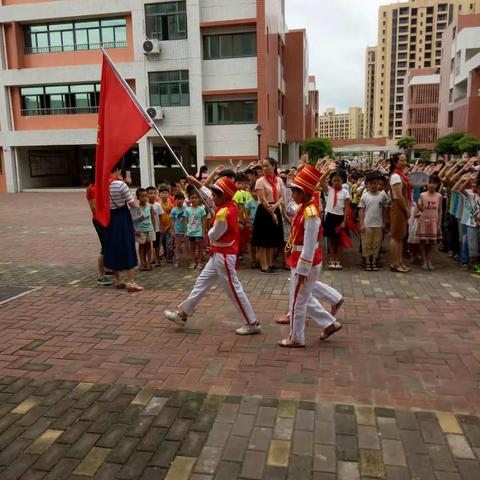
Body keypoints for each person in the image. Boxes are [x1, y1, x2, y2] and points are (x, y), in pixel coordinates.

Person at [164, 176, 261, 336]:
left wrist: (210, 227)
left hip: (224, 256)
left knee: (234, 290)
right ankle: (183, 315)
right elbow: (208, 194)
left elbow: (213, 235)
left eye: (215, 195)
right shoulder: (227, 205)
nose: (212, 197)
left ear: (223, 196)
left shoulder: (224, 212)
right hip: (218, 254)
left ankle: (252, 322)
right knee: (201, 283)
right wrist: (195, 182)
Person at [278, 164, 342, 348]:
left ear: (304, 192)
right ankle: (329, 324)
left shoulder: (311, 213)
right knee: (302, 297)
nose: (293, 194)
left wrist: (303, 269)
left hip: (304, 261)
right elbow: (289, 207)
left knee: (298, 301)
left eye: (296, 191)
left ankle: (296, 337)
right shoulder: (304, 207)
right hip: (299, 258)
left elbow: (308, 245)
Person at [102, 163, 143, 292]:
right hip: (122, 218)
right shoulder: (120, 185)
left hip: (109, 219)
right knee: (128, 247)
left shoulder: (102, 185)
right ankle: (131, 282)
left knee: (114, 247)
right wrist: (139, 218)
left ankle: (118, 281)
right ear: (118, 170)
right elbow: (132, 204)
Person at [252, 158, 284, 274]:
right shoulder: (260, 181)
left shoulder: (279, 180)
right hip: (264, 211)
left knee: (272, 239)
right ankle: (264, 265)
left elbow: (281, 197)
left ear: (274, 166)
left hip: (275, 208)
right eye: (263, 167)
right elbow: (263, 199)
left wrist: (275, 207)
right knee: (263, 240)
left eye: (267, 166)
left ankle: (270, 263)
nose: (264, 169)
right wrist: (271, 211)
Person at [321, 169, 351, 270]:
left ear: (342, 181)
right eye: (334, 181)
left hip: (339, 217)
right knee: (330, 240)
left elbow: (347, 208)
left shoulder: (345, 192)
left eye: (338, 180)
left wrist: (344, 221)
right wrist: (328, 171)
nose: (336, 183)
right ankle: (332, 258)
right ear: (331, 181)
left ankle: (338, 259)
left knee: (339, 241)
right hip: (330, 216)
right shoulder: (329, 190)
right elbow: (321, 180)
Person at [359, 172, 389, 271]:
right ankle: (367, 261)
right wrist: (362, 224)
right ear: (367, 184)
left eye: (375, 183)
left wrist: (385, 222)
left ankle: (374, 262)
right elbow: (361, 211)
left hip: (378, 224)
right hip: (367, 224)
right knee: (366, 244)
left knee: (376, 244)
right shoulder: (365, 196)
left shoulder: (383, 196)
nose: (373, 185)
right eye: (371, 183)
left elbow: (385, 210)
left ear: (379, 184)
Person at [86, 175, 112, 286]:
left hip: (106, 219)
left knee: (109, 245)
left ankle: (108, 268)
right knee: (105, 247)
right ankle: (101, 276)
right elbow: (94, 207)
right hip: (100, 220)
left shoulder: (103, 186)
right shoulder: (92, 188)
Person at [389, 154, 412, 273]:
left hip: (402, 207)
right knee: (396, 236)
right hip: (398, 207)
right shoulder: (396, 177)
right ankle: (395, 263)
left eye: (405, 159)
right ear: (395, 162)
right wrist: (406, 209)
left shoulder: (401, 175)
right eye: (402, 160)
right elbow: (398, 195)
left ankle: (399, 261)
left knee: (401, 236)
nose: (404, 162)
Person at [184, 191, 207, 270]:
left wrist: (203, 232)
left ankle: (200, 262)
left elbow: (204, 221)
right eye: (192, 198)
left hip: (199, 232)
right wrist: (186, 231)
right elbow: (186, 221)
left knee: (200, 248)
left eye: (195, 198)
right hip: (191, 233)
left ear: (199, 199)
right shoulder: (187, 210)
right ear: (189, 199)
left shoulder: (201, 209)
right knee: (192, 248)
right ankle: (193, 262)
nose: (194, 200)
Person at [232, 173, 252, 261]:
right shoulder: (233, 193)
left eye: (244, 183)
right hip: (235, 219)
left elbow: (248, 207)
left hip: (244, 218)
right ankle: (236, 253)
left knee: (243, 237)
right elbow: (238, 207)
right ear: (234, 183)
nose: (241, 185)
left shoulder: (247, 194)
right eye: (239, 183)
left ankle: (240, 251)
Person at [147, 186, 164, 267]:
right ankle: (150, 260)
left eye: (154, 193)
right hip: (147, 228)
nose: (153, 195)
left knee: (156, 245)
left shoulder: (158, 205)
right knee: (148, 245)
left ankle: (157, 259)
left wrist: (161, 227)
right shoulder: (145, 205)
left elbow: (161, 216)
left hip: (156, 229)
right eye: (150, 193)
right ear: (147, 195)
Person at [158, 184, 174, 263]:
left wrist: (169, 226)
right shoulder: (157, 204)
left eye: (166, 193)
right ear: (159, 194)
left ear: (169, 194)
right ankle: (158, 256)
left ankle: (169, 256)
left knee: (169, 243)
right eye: (162, 193)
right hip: (160, 227)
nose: (164, 194)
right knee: (159, 243)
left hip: (169, 226)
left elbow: (172, 217)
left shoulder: (171, 205)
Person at [170, 191, 187, 268]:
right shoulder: (173, 210)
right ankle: (177, 260)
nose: (179, 200)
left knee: (187, 246)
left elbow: (189, 220)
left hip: (186, 231)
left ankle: (189, 259)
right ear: (175, 200)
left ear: (184, 200)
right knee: (178, 246)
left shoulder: (187, 209)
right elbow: (172, 221)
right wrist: (173, 231)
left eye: (181, 199)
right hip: (177, 231)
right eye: (178, 199)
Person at [245, 185, 259, 268]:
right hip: (252, 224)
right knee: (252, 243)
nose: (255, 193)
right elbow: (246, 214)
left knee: (260, 244)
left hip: (260, 225)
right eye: (253, 191)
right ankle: (253, 260)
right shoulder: (249, 202)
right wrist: (249, 223)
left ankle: (259, 259)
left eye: (256, 191)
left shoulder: (262, 202)